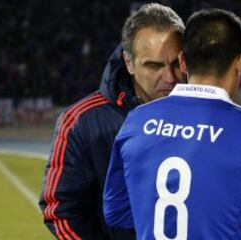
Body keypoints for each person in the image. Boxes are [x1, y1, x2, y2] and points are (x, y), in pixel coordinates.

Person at [103, 8, 241, 239]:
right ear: (239, 63)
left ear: (183, 61)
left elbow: (116, 211)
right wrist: (235, 210)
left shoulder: (137, 120)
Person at [39, 3, 185, 239]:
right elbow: (61, 210)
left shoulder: (207, 116)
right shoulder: (81, 122)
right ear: (128, 63)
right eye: (153, 65)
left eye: (177, 63)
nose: (169, 77)